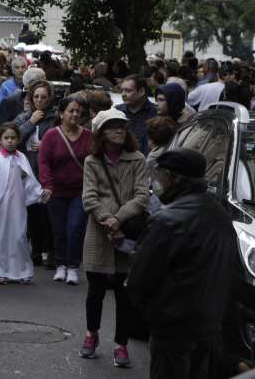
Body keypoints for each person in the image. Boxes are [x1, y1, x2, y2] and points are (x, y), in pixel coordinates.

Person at [127, 149, 237, 379]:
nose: (157, 184)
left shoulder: (167, 220)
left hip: (173, 326)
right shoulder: (221, 215)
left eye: (160, 177)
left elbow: (140, 279)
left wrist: (150, 311)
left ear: (173, 177)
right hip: (209, 325)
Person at [78, 109, 148, 368]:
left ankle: (121, 344)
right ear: (101, 133)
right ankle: (91, 333)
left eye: (122, 126)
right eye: (112, 127)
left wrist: (118, 219)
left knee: (124, 293)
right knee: (95, 290)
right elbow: (89, 197)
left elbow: (142, 196)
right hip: (99, 232)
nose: (119, 130)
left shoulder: (138, 158)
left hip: (126, 233)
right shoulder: (91, 161)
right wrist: (107, 220)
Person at [0, 122, 45, 284]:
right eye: (6, 138)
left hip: (17, 205)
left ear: (18, 139)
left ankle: (21, 271)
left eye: (13, 138)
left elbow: (29, 180)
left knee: (19, 237)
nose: (10, 141)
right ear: (0, 139)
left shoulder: (21, 158)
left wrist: (39, 194)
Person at [38, 96, 91, 285]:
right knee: (59, 230)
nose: (75, 114)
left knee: (75, 228)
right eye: (71, 110)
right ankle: (60, 265)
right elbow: (44, 163)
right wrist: (47, 185)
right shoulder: (51, 135)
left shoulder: (87, 136)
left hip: (79, 191)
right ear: (61, 114)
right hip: (56, 192)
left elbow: (93, 164)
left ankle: (73, 266)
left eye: (78, 111)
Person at [14, 79, 57, 268]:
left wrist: (46, 145)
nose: (40, 100)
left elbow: (62, 139)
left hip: (48, 171)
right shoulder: (23, 117)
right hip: (27, 170)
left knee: (48, 213)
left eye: (44, 97)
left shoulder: (55, 118)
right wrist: (31, 122)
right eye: (36, 97)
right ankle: (36, 249)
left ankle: (51, 250)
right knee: (32, 212)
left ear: (49, 99)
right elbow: (12, 138)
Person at [115, 76, 157, 155]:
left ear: (141, 91)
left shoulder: (156, 113)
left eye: (128, 91)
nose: (123, 94)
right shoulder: (117, 112)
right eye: (122, 90)